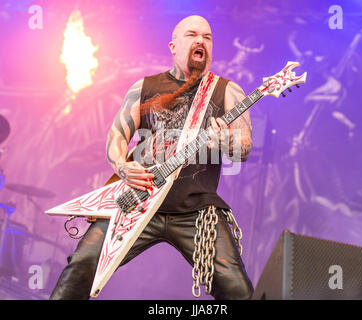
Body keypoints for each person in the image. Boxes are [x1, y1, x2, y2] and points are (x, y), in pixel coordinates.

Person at [50, 15, 253, 300]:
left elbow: (243, 148)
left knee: (237, 289)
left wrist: (224, 139)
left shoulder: (227, 91)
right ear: (173, 45)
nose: (200, 41)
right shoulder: (143, 88)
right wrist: (122, 166)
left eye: (207, 37)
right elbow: (116, 137)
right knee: (82, 265)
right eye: (192, 35)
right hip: (137, 203)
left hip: (196, 211)